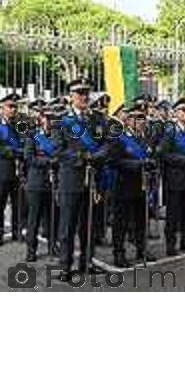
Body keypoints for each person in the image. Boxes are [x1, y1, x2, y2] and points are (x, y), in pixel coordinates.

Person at [52, 78, 112, 280]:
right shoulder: (62, 119)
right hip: (71, 179)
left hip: (93, 179)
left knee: (90, 225)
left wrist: (98, 156)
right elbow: (58, 150)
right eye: (79, 93)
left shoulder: (98, 118)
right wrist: (81, 157)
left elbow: (107, 143)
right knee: (67, 226)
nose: (84, 97)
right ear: (71, 96)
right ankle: (65, 267)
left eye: (86, 93)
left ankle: (87, 261)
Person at [156, 97, 185, 256]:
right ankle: (170, 244)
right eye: (183, 110)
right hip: (174, 178)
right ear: (176, 113)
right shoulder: (171, 132)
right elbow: (163, 153)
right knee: (173, 214)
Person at [111, 108, 157, 267]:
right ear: (128, 120)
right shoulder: (120, 137)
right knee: (121, 223)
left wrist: (151, 165)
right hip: (124, 185)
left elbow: (150, 155)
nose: (141, 122)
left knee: (141, 220)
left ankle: (141, 248)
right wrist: (138, 164)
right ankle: (119, 253)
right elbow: (115, 162)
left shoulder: (144, 138)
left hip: (142, 184)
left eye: (143, 118)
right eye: (137, 118)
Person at [0, 94, 24, 246]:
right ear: (2, 109)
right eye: (10, 106)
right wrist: (12, 151)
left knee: (18, 203)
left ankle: (17, 231)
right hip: (2, 171)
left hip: (18, 171)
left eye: (15, 106)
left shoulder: (20, 124)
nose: (13, 109)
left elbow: (25, 141)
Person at [24, 105, 57, 262]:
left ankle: (52, 245)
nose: (50, 121)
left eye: (53, 118)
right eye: (47, 118)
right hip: (36, 183)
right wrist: (50, 161)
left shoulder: (58, 137)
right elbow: (30, 158)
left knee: (52, 217)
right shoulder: (33, 136)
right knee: (34, 218)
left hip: (54, 184)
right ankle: (31, 249)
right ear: (41, 118)